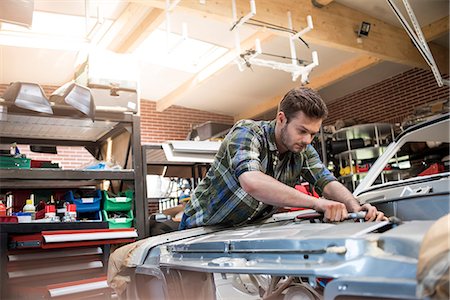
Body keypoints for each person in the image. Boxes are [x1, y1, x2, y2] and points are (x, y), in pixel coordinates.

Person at [179, 87, 385, 230]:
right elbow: (252, 181)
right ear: (281, 119)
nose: (307, 140)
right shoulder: (247, 132)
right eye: (302, 130)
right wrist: (318, 203)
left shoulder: (303, 150)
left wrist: (355, 206)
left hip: (244, 229)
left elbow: (326, 180)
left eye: (313, 134)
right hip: (202, 228)